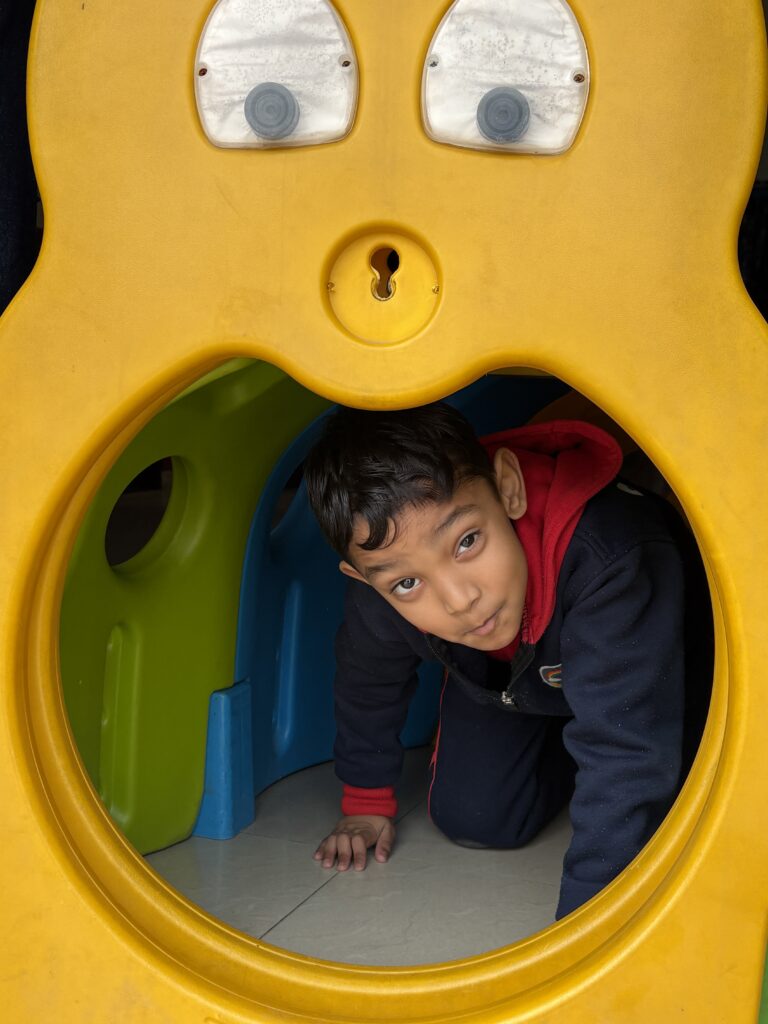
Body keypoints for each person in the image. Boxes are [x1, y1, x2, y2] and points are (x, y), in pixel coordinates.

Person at [303, 402, 711, 919]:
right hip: (521, 680)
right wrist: (366, 801)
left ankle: (593, 741)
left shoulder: (610, 556)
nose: (459, 599)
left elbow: (630, 751)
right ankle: (578, 743)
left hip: (647, 672)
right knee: (476, 818)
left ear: (508, 487)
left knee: (678, 802)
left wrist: (589, 924)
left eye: (467, 542)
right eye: (406, 583)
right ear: (364, 579)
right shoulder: (379, 591)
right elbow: (369, 683)